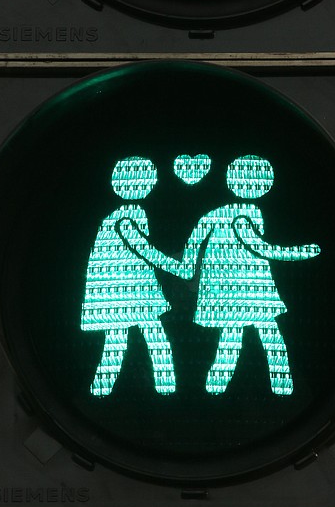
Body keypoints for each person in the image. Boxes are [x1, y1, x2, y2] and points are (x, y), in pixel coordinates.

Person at [180, 154, 320, 396]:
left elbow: (195, 238)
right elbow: (259, 247)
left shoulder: (217, 213)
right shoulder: (245, 213)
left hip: (224, 290)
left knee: (230, 341)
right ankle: (281, 386)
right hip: (250, 289)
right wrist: (301, 252)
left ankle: (215, 388)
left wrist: (186, 267)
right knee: (271, 337)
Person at [81, 156, 185, 397]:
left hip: (119, 293)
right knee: (156, 338)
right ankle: (167, 388)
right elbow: (142, 248)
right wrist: (175, 266)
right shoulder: (129, 214)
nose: (150, 183)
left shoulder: (117, 214)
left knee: (116, 346)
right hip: (131, 293)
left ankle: (101, 391)